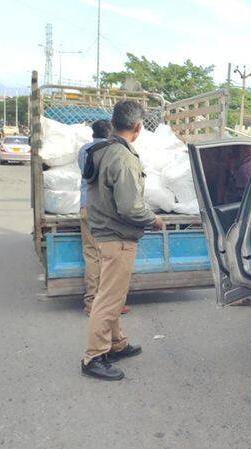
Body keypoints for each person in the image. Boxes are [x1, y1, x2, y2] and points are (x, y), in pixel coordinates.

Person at [81, 100, 165, 381]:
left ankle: (116, 343)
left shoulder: (102, 149)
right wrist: (153, 219)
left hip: (105, 232)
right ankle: (94, 356)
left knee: (112, 294)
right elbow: (130, 207)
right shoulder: (123, 157)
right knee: (108, 298)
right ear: (138, 127)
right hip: (117, 236)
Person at [76, 119, 131, 316]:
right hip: (105, 211)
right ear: (111, 133)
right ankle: (112, 304)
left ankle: (91, 303)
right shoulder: (112, 151)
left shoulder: (84, 150)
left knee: (91, 256)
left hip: (85, 207)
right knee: (111, 258)